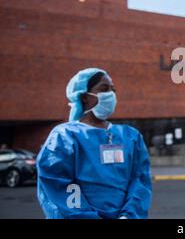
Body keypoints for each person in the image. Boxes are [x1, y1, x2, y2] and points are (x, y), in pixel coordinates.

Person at [37, 68, 152, 219]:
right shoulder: (65, 136)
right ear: (84, 96)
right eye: (104, 89)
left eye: (113, 90)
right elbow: (56, 186)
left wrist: (129, 216)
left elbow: (140, 181)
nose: (111, 95)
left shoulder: (131, 136)